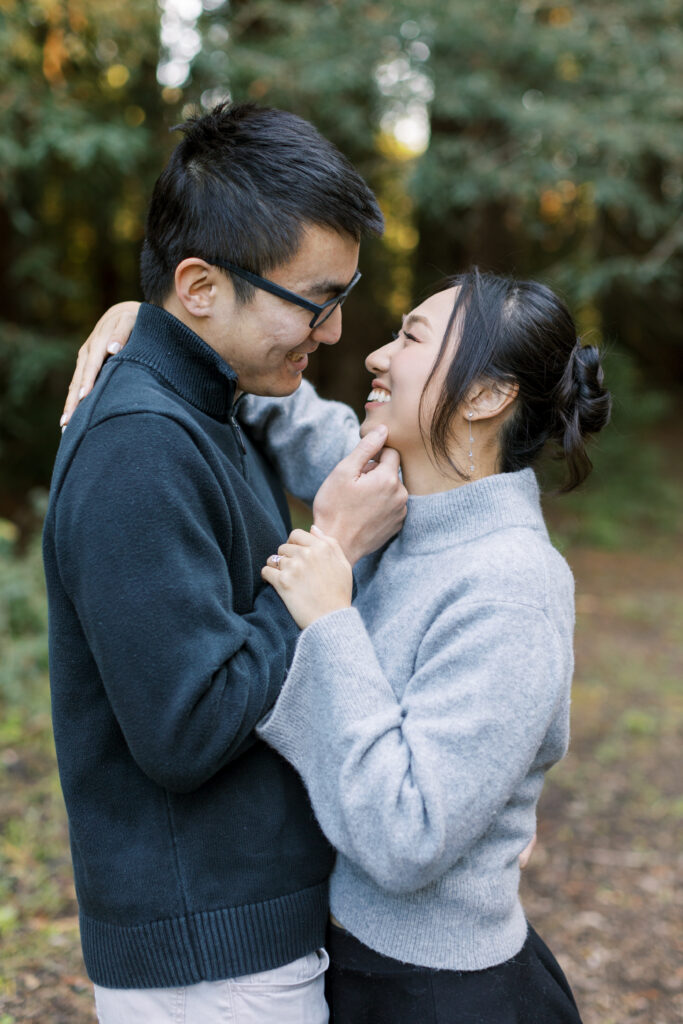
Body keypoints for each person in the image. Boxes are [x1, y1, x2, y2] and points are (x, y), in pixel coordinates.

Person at [70, 268, 611, 1022]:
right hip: (351, 966)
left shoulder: (511, 582)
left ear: (486, 396)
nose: (374, 357)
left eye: (411, 338)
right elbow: (287, 408)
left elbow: (406, 840)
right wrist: (162, 321)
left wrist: (329, 624)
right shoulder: (396, 491)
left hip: (442, 993)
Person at [43, 101, 408, 1024]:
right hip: (207, 959)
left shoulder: (212, 401)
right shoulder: (140, 447)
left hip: (244, 925)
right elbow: (185, 727)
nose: (332, 333)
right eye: (316, 301)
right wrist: (330, 558)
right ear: (200, 286)